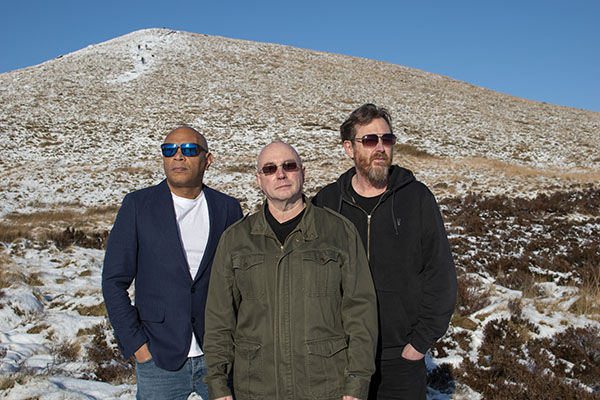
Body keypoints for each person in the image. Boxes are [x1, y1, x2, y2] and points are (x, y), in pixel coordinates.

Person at [203, 141, 378, 400]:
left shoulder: (338, 232)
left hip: (325, 388)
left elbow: (360, 313)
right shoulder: (236, 239)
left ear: (303, 173)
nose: (281, 174)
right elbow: (219, 319)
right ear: (259, 180)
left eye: (289, 166)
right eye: (270, 169)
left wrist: (357, 382)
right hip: (256, 389)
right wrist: (218, 385)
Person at [312, 104, 457, 400]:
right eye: (369, 140)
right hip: (341, 357)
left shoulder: (416, 198)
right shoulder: (327, 203)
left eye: (387, 139)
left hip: (400, 361)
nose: (380, 147)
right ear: (349, 148)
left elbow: (441, 275)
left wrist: (418, 344)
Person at [102, 126, 243, 399]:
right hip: (158, 358)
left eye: (189, 149)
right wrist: (138, 346)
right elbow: (113, 281)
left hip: (219, 357)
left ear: (207, 159)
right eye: (169, 150)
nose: (178, 156)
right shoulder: (138, 206)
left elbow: (240, 281)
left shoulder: (227, 208)